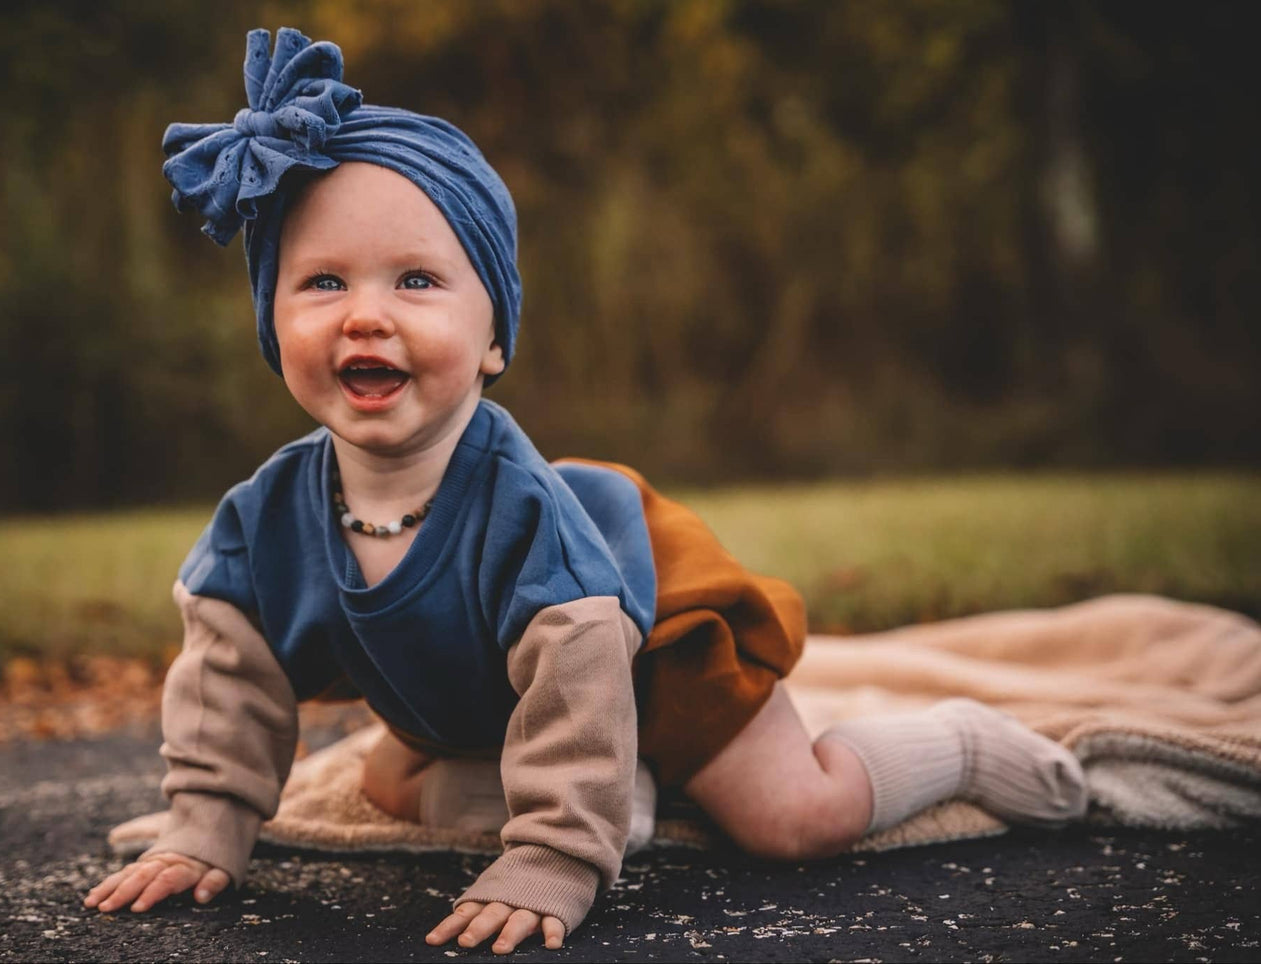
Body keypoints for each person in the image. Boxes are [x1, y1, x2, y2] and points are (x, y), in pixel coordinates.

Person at [83, 27, 1088, 955]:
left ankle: (955, 744)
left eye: (416, 282)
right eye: (322, 283)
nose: (365, 317)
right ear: (272, 325)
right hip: (496, 693)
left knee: (789, 818)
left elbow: (580, 670)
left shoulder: (523, 512)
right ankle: (623, 790)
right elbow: (230, 678)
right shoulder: (262, 522)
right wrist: (206, 830)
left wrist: (555, 854)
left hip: (646, 627)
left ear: (492, 341)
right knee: (389, 778)